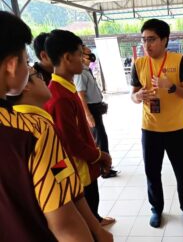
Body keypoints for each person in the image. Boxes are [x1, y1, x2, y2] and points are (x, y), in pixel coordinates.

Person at [0, 11, 112, 241]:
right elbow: (65, 221)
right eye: (28, 64)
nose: (42, 77)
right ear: (11, 66)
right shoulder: (34, 131)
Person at [44, 29, 115, 226]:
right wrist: (100, 156)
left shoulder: (65, 89)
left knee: (92, 207)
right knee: (85, 211)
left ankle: (96, 221)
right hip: (75, 170)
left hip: (82, 166)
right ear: (67, 58)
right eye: (79, 54)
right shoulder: (59, 98)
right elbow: (71, 144)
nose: (84, 59)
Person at [130, 19, 183, 228]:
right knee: (152, 173)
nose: (147, 45)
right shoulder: (139, 64)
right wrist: (138, 95)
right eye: (143, 40)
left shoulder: (178, 60)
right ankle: (156, 209)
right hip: (150, 129)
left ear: (164, 40)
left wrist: (171, 86)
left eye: (152, 39)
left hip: (176, 129)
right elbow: (132, 96)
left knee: (182, 172)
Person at [74, 45, 119, 179]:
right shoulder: (81, 73)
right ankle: (104, 169)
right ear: (82, 56)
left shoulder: (87, 70)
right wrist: (88, 115)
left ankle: (106, 167)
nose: (91, 54)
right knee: (100, 140)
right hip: (91, 109)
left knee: (101, 138)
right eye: (88, 53)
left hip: (95, 108)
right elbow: (80, 95)